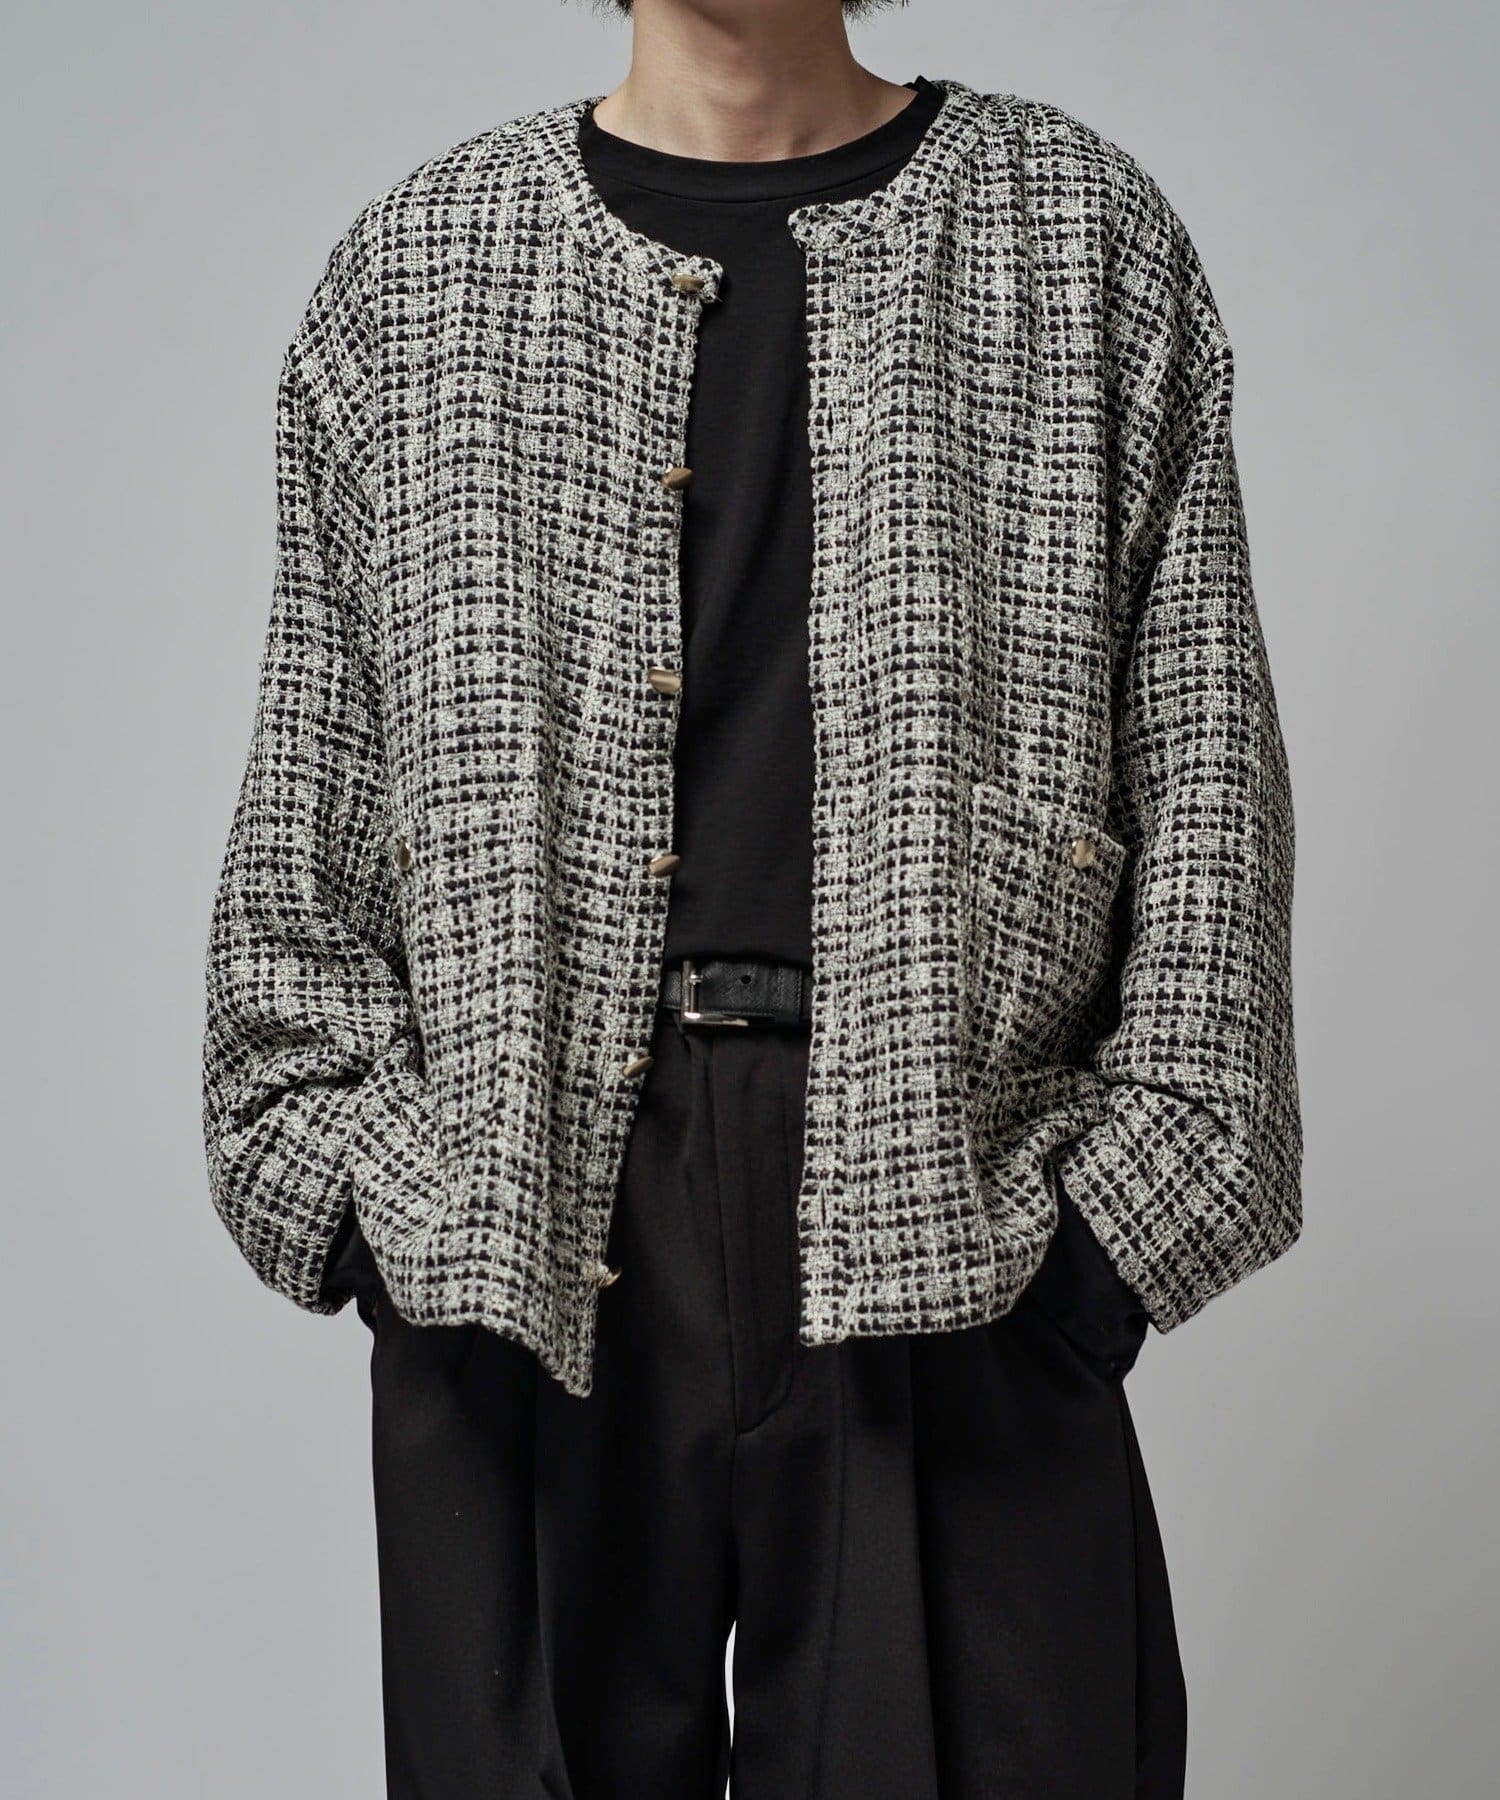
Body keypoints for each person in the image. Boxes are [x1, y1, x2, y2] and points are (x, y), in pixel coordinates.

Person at [200, 1, 1302, 1793]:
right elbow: (309, 813)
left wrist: (1103, 1250)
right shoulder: (419, 265)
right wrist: (361, 1203)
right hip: (523, 1226)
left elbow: (1209, 794)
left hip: (957, 1207)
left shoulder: (1075, 228)